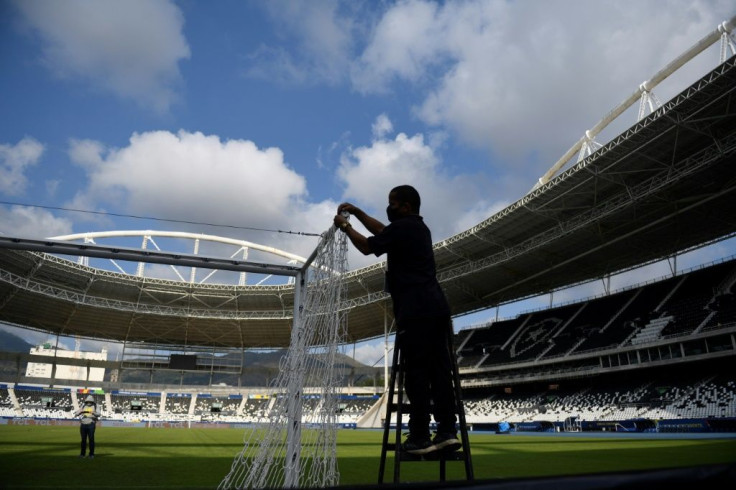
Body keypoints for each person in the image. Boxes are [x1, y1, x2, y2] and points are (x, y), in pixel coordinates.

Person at [334, 185, 461, 455]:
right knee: (440, 372)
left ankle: (419, 436)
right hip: (436, 308)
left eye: (392, 203)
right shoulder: (416, 228)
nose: (388, 207)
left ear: (405, 206)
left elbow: (369, 246)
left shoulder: (404, 228)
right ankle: (448, 431)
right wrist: (357, 213)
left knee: (417, 374)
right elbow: (381, 231)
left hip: (415, 311)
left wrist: (345, 226)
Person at [74, 394, 100, 458]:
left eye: (90, 401)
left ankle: (91, 454)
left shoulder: (96, 406)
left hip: (91, 424)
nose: (89, 403)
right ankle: (82, 454)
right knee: (83, 440)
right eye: (88, 401)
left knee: (91, 440)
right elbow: (77, 413)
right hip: (83, 424)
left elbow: (99, 414)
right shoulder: (83, 405)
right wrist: (79, 412)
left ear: (92, 401)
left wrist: (93, 412)